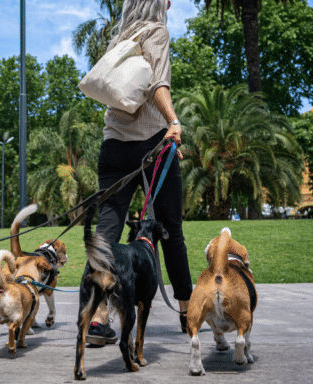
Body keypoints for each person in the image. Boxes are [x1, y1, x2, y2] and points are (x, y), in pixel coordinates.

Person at [85, 0, 193, 346]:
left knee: (107, 230)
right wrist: (173, 121)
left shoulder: (118, 41)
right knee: (171, 229)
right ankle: (188, 311)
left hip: (113, 145)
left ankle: (97, 317)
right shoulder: (156, 32)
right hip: (153, 145)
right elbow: (159, 83)